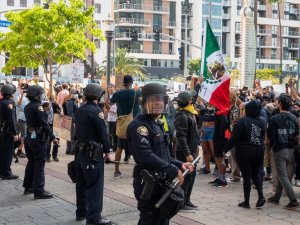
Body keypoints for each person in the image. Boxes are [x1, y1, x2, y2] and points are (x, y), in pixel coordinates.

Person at [127, 83, 194, 225]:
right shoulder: (139, 126)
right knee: (150, 218)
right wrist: (173, 169)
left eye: (160, 100)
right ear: (144, 102)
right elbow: (145, 155)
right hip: (149, 183)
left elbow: (164, 156)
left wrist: (180, 164)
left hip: (162, 183)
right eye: (153, 100)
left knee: (162, 219)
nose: (157, 103)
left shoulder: (156, 123)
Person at [74, 83, 112, 225]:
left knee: (81, 183)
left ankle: (81, 212)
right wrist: (107, 151)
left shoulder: (80, 110)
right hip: (92, 154)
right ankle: (94, 218)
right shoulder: (97, 111)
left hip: (80, 152)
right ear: (98, 96)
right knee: (95, 186)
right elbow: (103, 134)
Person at [224, 100, 267, 209]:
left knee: (247, 176)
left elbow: (233, 139)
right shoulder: (262, 121)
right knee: (256, 173)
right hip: (259, 150)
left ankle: (246, 202)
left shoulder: (242, 121)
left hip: (244, 151)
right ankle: (261, 196)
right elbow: (263, 135)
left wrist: (225, 149)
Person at [23, 85, 59, 199]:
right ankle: (39, 190)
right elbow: (44, 124)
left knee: (31, 162)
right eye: (40, 93)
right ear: (36, 95)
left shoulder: (27, 106)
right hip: (38, 138)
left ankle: (28, 186)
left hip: (29, 136)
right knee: (39, 164)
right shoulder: (39, 107)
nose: (42, 95)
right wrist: (53, 137)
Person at [267, 94, 300, 210]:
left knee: (282, 175)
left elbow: (269, 136)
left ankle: (293, 201)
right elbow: (296, 135)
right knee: (283, 174)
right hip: (291, 149)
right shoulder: (294, 118)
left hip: (279, 149)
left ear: (280, 104)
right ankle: (276, 197)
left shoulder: (275, 118)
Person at [110, 75, 141, 178]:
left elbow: (109, 104)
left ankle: (116, 171)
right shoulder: (137, 92)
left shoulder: (118, 93)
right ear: (132, 82)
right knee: (138, 147)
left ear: (123, 83)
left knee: (119, 148)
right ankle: (139, 171)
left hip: (123, 124)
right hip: (135, 123)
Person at [175, 91, 198, 211]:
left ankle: (187, 200)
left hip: (192, 150)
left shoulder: (191, 113)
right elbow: (181, 137)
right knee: (185, 178)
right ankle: (181, 203)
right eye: (190, 100)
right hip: (185, 153)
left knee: (192, 177)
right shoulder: (182, 115)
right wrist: (188, 154)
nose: (192, 102)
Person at [0, 84, 19, 179]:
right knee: (8, 153)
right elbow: (11, 120)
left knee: (1, 151)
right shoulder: (9, 104)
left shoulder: (1, 102)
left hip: (2, 131)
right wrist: (15, 133)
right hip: (7, 132)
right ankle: (6, 173)